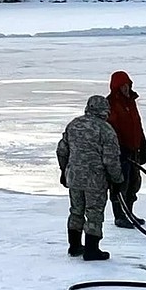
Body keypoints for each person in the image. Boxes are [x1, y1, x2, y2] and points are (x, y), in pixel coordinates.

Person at [57, 95, 125, 261]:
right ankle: (92, 250)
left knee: (76, 210)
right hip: (95, 179)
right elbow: (111, 159)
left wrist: (63, 170)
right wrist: (117, 180)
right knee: (94, 212)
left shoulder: (74, 124)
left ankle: (74, 246)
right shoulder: (106, 129)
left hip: (74, 176)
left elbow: (62, 150)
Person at [106, 70, 146, 228]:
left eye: (127, 85)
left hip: (134, 150)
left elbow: (137, 124)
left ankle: (129, 212)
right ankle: (119, 215)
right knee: (120, 184)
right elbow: (110, 130)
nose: (125, 88)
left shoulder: (131, 102)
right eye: (122, 86)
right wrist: (118, 149)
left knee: (133, 183)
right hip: (120, 152)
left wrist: (143, 144)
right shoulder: (110, 104)